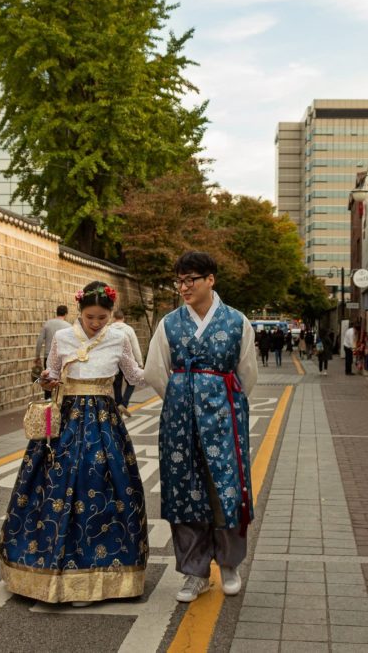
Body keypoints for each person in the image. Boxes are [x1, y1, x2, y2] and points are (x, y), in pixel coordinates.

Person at [0, 282, 148, 606]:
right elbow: (48, 375)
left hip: (104, 422)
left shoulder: (119, 338)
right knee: (53, 487)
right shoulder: (63, 337)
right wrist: (45, 380)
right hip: (65, 422)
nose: (96, 323)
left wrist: (166, 371)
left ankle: (97, 571)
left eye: (102, 317)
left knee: (100, 483)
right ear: (78, 310)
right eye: (91, 316)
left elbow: (135, 376)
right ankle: (46, 567)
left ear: (111, 314)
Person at [145, 252, 259, 603]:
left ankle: (228, 564)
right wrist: (183, 396)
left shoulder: (237, 322)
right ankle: (194, 572)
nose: (183, 287)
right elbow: (155, 372)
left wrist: (218, 399)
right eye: (179, 280)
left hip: (225, 418)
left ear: (211, 279)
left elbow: (247, 374)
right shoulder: (169, 324)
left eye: (190, 279)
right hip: (179, 422)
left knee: (225, 488)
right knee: (185, 491)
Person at [111, 309, 143, 418]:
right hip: (127, 360)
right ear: (123, 319)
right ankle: (124, 403)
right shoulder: (129, 329)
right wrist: (139, 362)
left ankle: (118, 406)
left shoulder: (108, 329)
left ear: (114, 318)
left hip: (114, 361)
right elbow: (135, 346)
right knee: (132, 382)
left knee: (117, 384)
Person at [35, 305, 70, 398]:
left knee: (48, 380)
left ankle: (48, 405)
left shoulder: (47, 324)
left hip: (48, 357)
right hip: (63, 359)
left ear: (57, 312)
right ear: (66, 314)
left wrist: (37, 356)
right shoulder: (68, 326)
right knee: (61, 382)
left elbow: (39, 341)